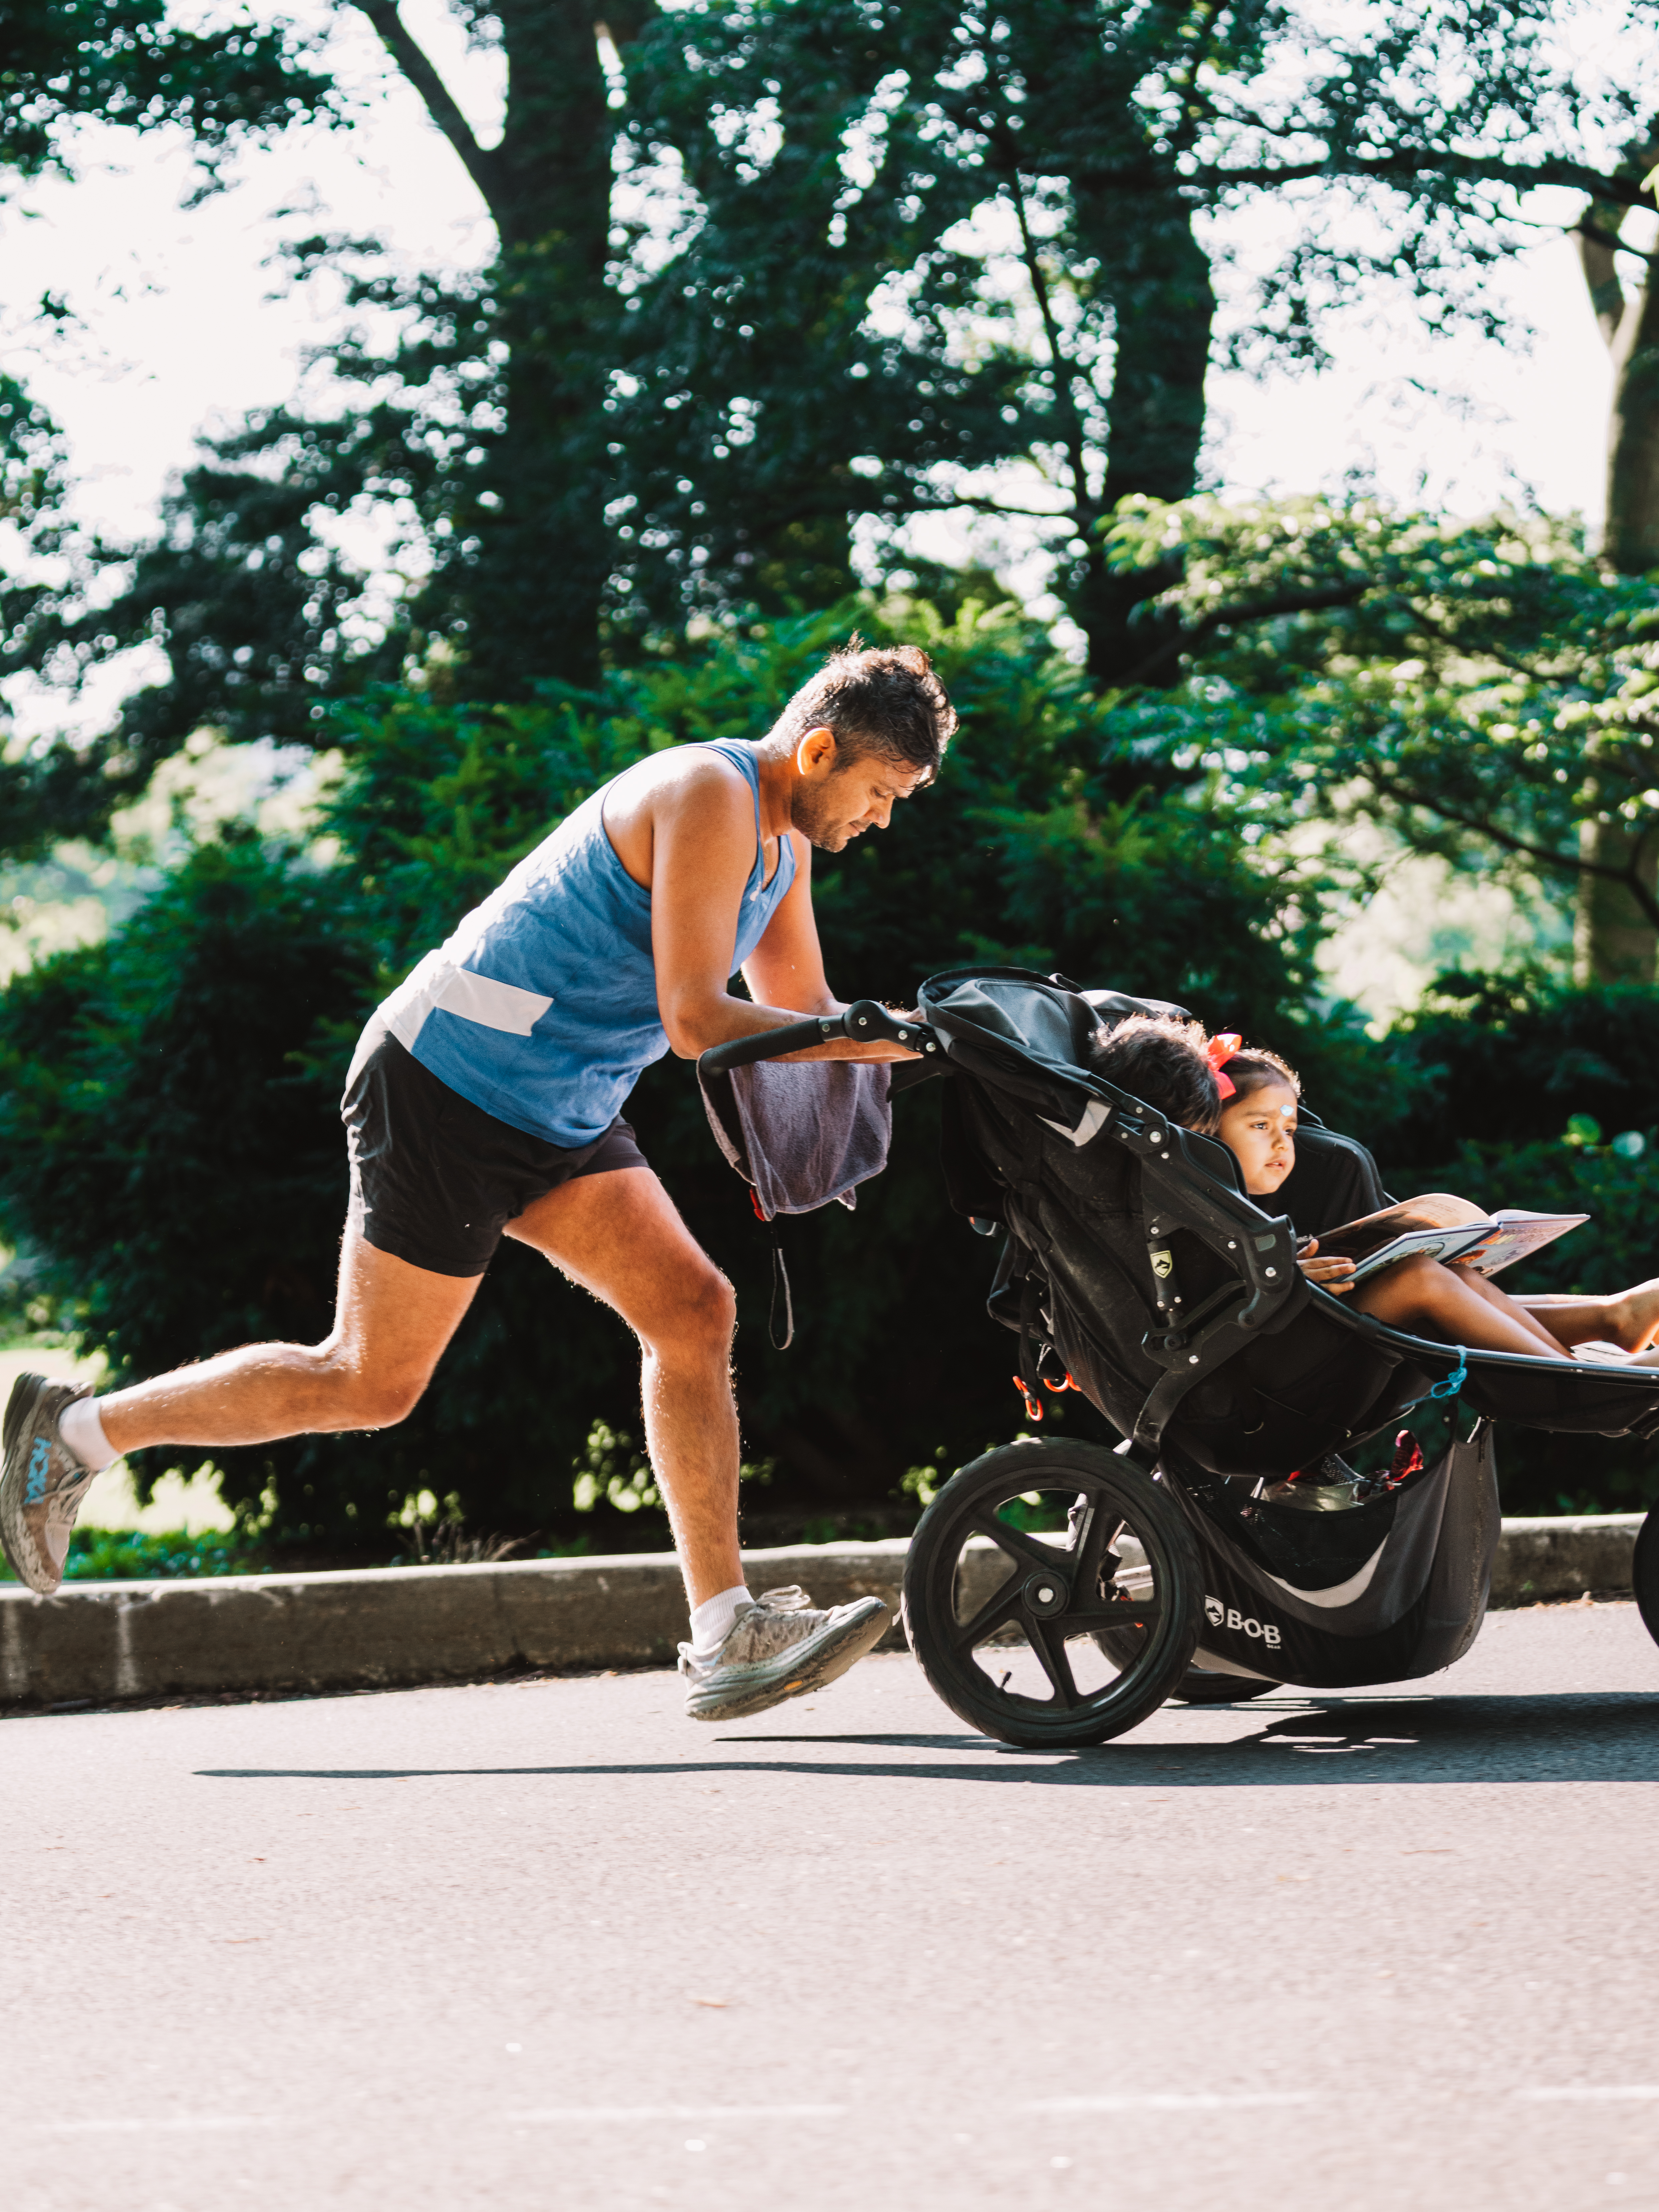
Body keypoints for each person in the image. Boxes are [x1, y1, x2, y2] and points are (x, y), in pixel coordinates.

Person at [0, 641, 953, 1723]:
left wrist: (917, 1043)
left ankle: (723, 1628)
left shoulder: (783, 849)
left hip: (557, 1106)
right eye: (877, 793)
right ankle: (71, 1432)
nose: (878, 819)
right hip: (447, 1087)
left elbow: (802, 1003)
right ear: (819, 748)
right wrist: (874, 1041)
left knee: (693, 1309)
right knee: (369, 1379)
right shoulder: (709, 792)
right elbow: (699, 1020)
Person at [1085, 1014, 1659, 1367]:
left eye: (1285, 1127)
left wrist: (1295, 1268)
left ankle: (1610, 1320)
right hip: (1254, 1366)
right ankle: (1585, 1370)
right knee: (1418, 1281)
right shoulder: (1157, 1192)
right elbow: (1194, 1296)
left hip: (1283, 1332)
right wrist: (1282, 1276)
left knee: (1435, 1270)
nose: (1283, 1145)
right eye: (1255, 1127)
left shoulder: (1190, 1183)